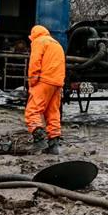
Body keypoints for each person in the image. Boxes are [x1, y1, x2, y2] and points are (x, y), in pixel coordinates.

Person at [25, 24, 65, 154]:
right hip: (57, 82)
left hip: (44, 81)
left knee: (33, 111)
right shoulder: (56, 44)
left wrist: (32, 80)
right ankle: (53, 145)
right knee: (52, 112)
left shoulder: (38, 41)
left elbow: (35, 62)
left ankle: (39, 140)